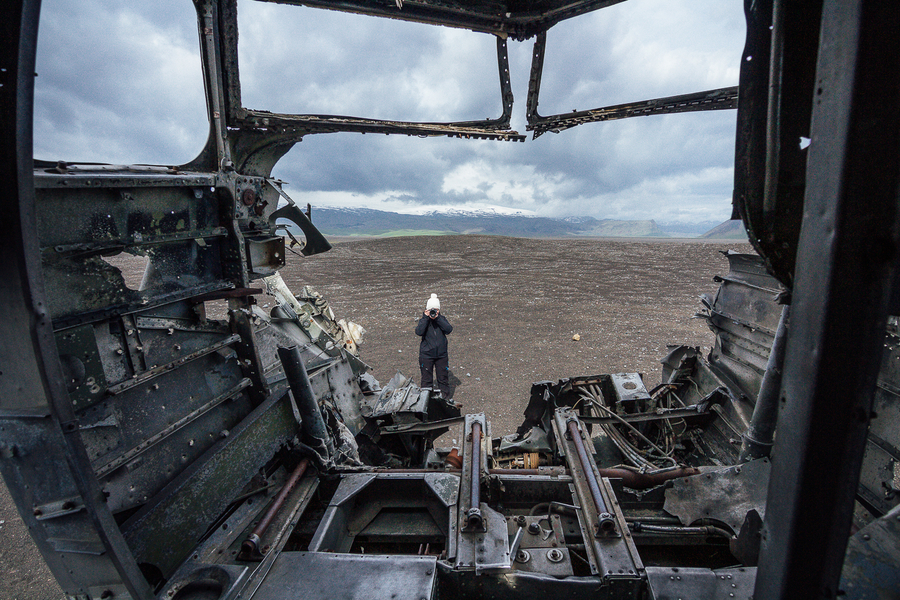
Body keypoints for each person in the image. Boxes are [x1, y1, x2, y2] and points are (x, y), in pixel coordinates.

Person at [415, 293, 453, 400]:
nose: (433, 312)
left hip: (441, 355)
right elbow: (419, 332)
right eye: (431, 310)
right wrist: (425, 318)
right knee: (426, 381)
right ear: (427, 310)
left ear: (438, 310)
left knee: (443, 379)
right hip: (426, 355)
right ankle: (426, 402)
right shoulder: (424, 321)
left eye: (435, 310)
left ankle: (445, 401)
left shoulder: (441, 319)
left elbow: (449, 329)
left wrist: (438, 318)